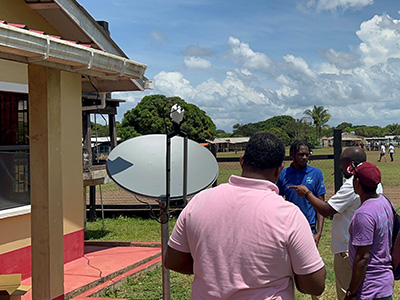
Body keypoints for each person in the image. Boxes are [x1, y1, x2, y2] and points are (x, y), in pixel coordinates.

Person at [165, 133, 326, 299]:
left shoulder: (199, 201)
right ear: (280, 170)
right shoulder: (288, 215)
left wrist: (211, 268)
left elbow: (173, 260)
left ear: (242, 160)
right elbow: (314, 285)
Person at [288, 147, 383, 300]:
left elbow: (326, 210)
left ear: (350, 164)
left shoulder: (353, 184)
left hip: (347, 249)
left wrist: (307, 194)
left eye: (341, 162)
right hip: (366, 246)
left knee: (348, 292)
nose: (339, 166)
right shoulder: (374, 181)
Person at [344, 162, 394, 300]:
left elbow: (362, 258)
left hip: (369, 289)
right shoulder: (385, 201)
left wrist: (351, 292)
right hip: (384, 284)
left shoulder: (364, 214)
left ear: (358, 182)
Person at [276, 140, 326, 247]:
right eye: (301, 154)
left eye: (307, 155)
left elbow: (321, 205)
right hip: (289, 226)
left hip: (309, 226)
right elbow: (276, 201)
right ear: (292, 154)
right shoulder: (283, 174)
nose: (304, 157)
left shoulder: (316, 173)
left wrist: (318, 233)